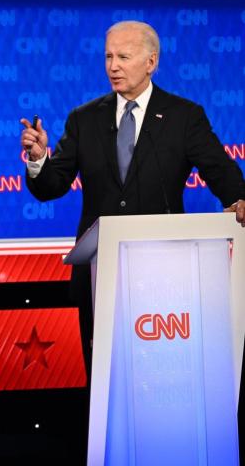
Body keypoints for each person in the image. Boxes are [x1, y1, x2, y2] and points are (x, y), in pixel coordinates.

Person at [20, 20, 245, 372]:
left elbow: (221, 172)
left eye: (123, 56)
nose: (113, 66)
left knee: (164, 377)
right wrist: (38, 160)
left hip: (165, 275)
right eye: (108, 56)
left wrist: (239, 198)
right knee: (103, 380)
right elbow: (53, 185)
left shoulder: (184, 117)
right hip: (100, 276)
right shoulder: (84, 119)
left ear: (151, 62)